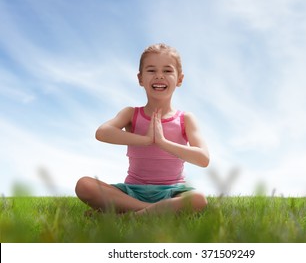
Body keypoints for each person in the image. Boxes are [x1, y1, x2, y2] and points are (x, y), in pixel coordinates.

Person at [75, 43, 209, 215]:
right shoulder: (131, 113)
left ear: (180, 79)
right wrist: (146, 140)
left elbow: (203, 159)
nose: (159, 76)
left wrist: (162, 142)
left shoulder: (185, 119)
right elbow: (102, 133)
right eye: (151, 70)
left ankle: (124, 215)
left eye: (167, 71)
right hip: (132, 192)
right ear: (140, 79)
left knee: (198, 199)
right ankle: (147, 212)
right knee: (84, 185)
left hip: (171, 193)